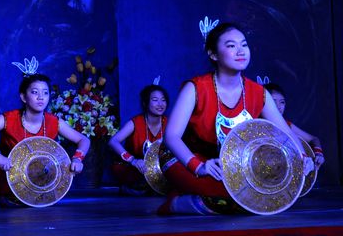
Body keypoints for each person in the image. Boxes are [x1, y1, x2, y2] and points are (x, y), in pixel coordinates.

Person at [159, 22, 299, 215]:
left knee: (259, 194)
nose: (241, 51)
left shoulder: (259, 93)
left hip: (227, 165)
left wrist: (303, 158)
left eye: (244, 44)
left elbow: (286, 134)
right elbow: (171, 137)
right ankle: (176, 204)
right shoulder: (195, 88)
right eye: (231, 46)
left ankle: (195, 199)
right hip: (184, 157)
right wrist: (199, 167)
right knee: (241, 196)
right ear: (213, 54)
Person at [0, 60, 90, 207]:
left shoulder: (54, 121)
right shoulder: (8, 118)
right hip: (9, 176)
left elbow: (84, 140)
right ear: (23, 97)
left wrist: (77, 159)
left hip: (40, 178)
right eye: (35, 92)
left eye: (45, 93)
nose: (41, 97)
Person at [108, 83, 169, 195]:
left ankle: (145, 188)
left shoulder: (170, 122)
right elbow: (113, 141)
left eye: (163, 100)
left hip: (162, 167)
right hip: (139, 167)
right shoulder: (136, 122)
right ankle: (144, 188)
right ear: (145, 103)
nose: (160, 104)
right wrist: (133, 160)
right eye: (155, 100)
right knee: (119, 168)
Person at [264, 82, 325, 168]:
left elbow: (313, 139)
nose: (278, 106)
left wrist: (319, 153)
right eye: (273, 101)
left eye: (282, 102)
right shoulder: (255, 124)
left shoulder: (287, 125)